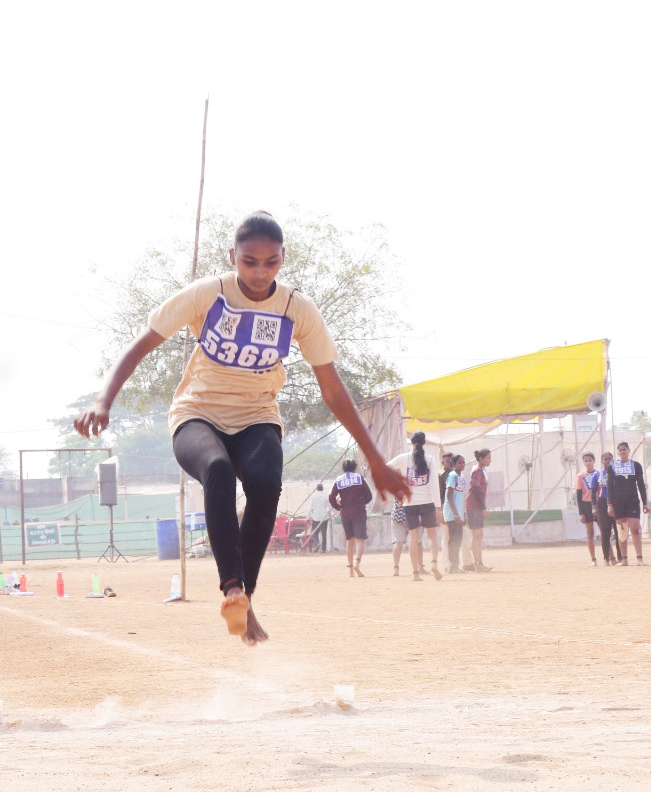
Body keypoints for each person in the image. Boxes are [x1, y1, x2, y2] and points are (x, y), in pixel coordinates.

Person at [75, 212, 408, 643]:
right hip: (198, 414)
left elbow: (333, 390)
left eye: (271, 262)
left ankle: (242, 600)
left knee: (267, 485)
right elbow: (143, 342)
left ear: (283, 259)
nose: (259, 271)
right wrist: (104, 400)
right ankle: (232, 586)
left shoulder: (295, 309)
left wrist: (377, 461)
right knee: (217, 470)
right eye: (249, 261)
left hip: (257, 417)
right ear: (232, 256)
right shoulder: (209, 294)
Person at [387, 432, 444, 581]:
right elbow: (434, 486)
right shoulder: (430, 460)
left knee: (413, 539)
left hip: (409, 503)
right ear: (425, 442)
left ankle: (415, 573)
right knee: (432, 536)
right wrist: (438, 507)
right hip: (427, 502)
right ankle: (433, 564)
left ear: (411, 442)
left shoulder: (403, 458)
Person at [605, 441, 648, 566]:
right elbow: (609, 487)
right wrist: (609, 504)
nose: (623, 451)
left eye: (625, 449)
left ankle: (639, 558)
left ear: (628, 450)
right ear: (618, 452)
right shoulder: (612, 467)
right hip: (618, 503)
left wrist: (645, 502)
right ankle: (624, 559)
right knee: (622, 531)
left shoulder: (636, 465)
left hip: (633, 502)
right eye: (620, 450)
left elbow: (641, 485)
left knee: (635, 529)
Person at [329, 459, 371, 576]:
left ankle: (351, 569)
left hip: (345, 513)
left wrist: (339, 507)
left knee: (350, 541)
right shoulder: (359, 478)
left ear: (343, 468)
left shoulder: (339, 480)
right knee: (360, 540)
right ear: (355, 467)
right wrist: (362, 503)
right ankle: (357, 564)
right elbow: (369, 496)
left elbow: (332, 498)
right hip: (359, 512)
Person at [596, 452, 623, 565]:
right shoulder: (598, 474)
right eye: (605, 459)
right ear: (601, 461)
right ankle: (606, 558)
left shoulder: (617, 473)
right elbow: (593, 492)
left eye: (610, 459)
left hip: (615, 502)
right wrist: (594, 506)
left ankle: (621, 557)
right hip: (602, 503)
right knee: (605, 532)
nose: (607, 461)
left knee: (618, 532)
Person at [467, 449, 491, 572]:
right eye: (488, 458)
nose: (490, 460)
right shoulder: (477, 472)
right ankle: (477, 564)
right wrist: (483, 507)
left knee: (479, 535)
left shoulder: (481, 471)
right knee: (476, 535)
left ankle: (479, 563)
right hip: (473, 507)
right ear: (481, 459)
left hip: (477, 507)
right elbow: (476, 490)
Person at [442, 453, 466, 575]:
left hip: (459, 512)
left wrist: (463, 513)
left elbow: (461, 497)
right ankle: (453, 565)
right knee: (453, 539)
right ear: (454, 464)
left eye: (463, 462)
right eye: (459, 463)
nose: (462, 465)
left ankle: (456, 565)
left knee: (459, 538)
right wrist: (456, 514)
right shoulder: (452, 476)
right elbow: (449, 496)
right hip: (452, 513)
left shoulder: (462, 476)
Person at [575, 452, 601, 565]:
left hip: (598, 504)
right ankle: (593, 559)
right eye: (585, 461)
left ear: (594, 461)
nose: (588, 463)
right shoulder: (580, 476)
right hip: (586, 505)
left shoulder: (599, 474)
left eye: (590, 460)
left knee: (604, 531)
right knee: (590, 533)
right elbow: (579, 495)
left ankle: (610, 556)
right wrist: (581, 512)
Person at [307, 482, 332, 553]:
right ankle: (324, 549)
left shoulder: (313, 496)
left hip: (316, 517)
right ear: (323, 488)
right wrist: (337, 512)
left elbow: (309, 508)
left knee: (315, 532)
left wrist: (307, 517)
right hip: (324, 517)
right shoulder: (326, 496)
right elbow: (330, 506)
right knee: (324, 533)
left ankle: (317, 543)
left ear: (316, 489)